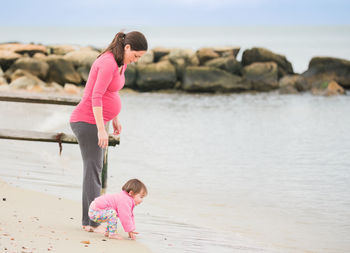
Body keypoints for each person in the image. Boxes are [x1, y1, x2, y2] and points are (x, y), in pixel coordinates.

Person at [70, 31, 148, 233]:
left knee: (94, 168)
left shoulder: (122, 62)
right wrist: (100, 129)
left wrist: (115, 118)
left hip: (97, 121)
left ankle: (90, 220)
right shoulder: (107, 63)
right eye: (136, 56)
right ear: (127, 48)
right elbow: (96, 96)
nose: (137, 60)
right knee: (93, 170)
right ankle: (90, 222)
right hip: (86, 121)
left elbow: (110, 92)